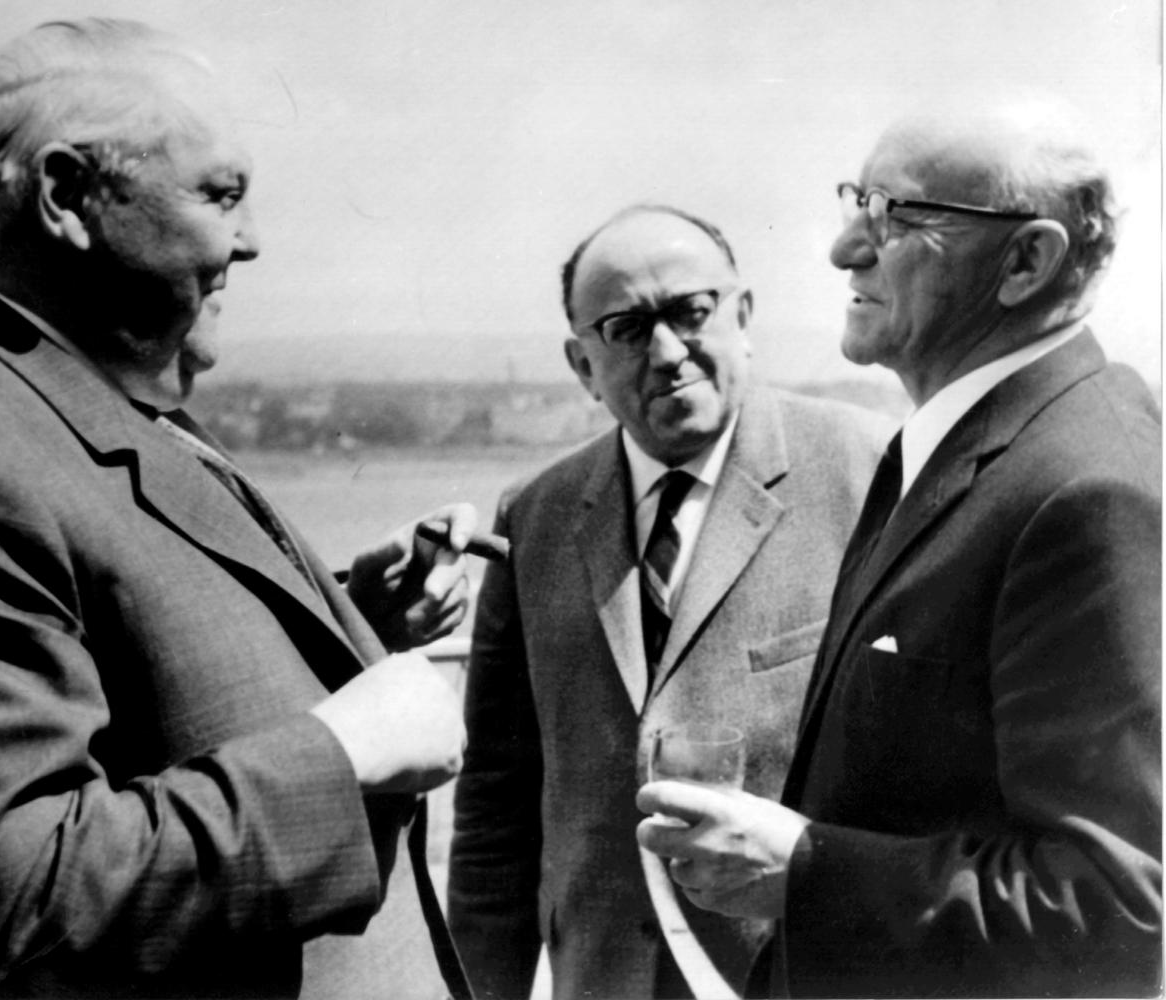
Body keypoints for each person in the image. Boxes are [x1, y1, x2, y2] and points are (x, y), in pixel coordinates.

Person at [0, 19, 476, 1000]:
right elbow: (5, 897)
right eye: (220, 194)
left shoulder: (55, 392)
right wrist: (343, 751)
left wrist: (342, 620)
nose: (250, 240)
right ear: (69, 195)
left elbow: (111, 640)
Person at [638, 97, 1163, 997]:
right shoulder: (970, 447)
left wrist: (803, 869)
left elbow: (1120, 911)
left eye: (899, 215)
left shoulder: (1086, 490)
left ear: (1028, 261)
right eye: (858, 202)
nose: (845, 247)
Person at [448, 204, 888, 999]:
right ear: (582, 364)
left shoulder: (871, 473)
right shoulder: (538, 516)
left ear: (743, 316)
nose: (667, 352)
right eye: (625, 327)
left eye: (691, 313)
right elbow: (494, 805)